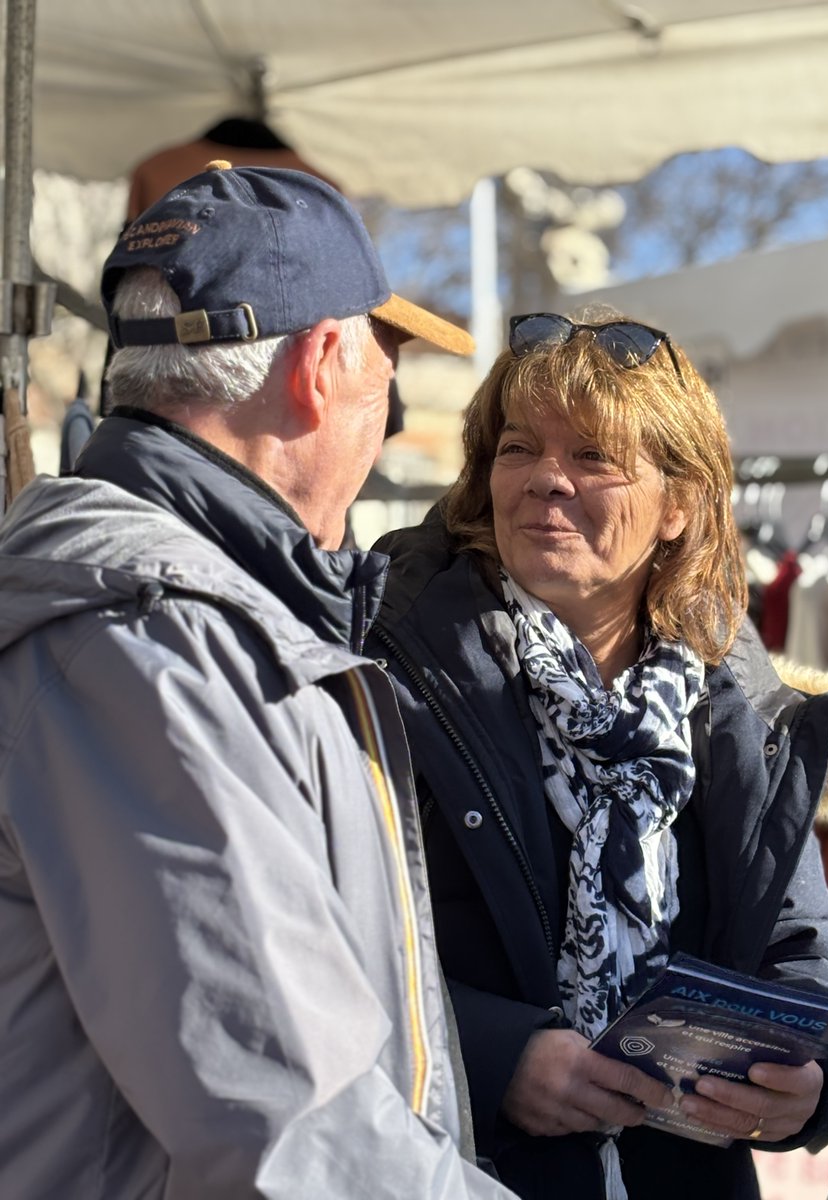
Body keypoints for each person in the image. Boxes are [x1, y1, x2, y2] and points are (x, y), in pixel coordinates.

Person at [0, 162, 517, 1199]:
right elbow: (293, 1128)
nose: (385, 423)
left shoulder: (181, 616)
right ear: (324, 363)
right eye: (389, 372)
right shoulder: (149, 640)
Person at [364, 309, 828, 1200]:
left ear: (679, 504)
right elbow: (316, 943)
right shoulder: (391, 667)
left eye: (593, 457)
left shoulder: (729, 695)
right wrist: (497, 1059)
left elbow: (805, 949)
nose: (545, 481)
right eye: (518, 448)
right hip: (459, 1171)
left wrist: (810, 1082)